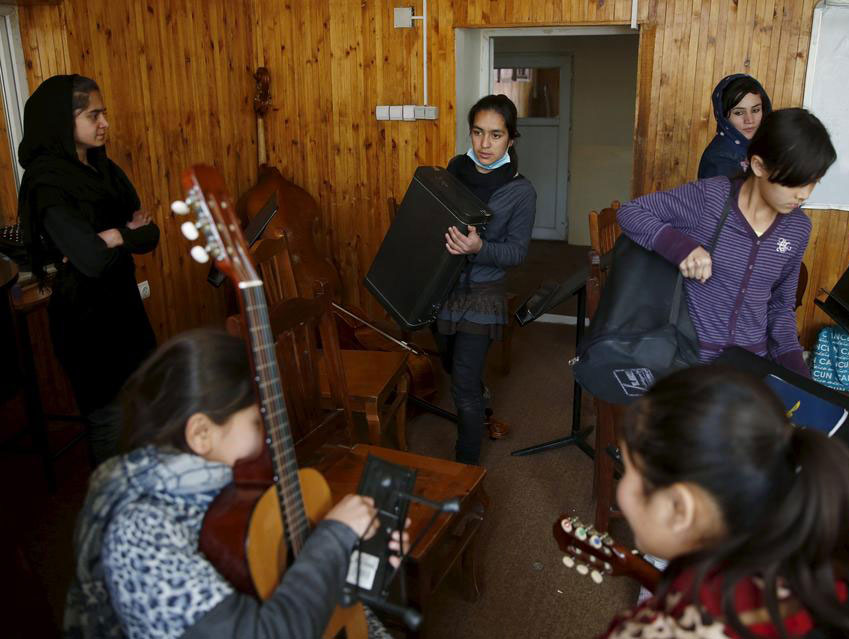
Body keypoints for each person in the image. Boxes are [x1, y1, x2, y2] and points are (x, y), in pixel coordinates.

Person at [64, 329, 406, 639]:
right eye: (257, 423)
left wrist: (362, 562)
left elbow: (275, 581)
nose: (267, 437)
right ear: (201, 433)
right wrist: (334, 536)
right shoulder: (139, 533)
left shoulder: (230, 490)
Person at [600, 365, 849, 638]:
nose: (622, 489)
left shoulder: (647, 631)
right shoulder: (830, 590)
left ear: (680, 508)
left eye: (629, 470)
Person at [617, 108, 836, 376]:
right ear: (758, 166)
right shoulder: (710, 198)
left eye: (813, 182)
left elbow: (781, 306)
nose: (804, 194)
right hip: (690, 358)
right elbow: (630, 212)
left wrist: (799, 375)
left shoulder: (798, 228)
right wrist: (681, 248)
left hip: (750, 364)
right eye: (795, 182)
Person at [18, 74, 158, 465]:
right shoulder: (46, 181)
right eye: (93, 115)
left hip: (126, 309)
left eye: (104, 113)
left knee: (144, 415)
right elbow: (91, 260)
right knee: (110, 424)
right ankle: (112, 515)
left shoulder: (103, 167)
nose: (105, 123)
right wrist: (119, 234)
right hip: (86, 322)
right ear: (65, 121)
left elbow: (150, 233)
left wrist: (111, 238)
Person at [436, 94, 537, 464]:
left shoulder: (521, 191)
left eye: (496, 135)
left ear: (511, 139)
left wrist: (479, 247)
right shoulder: (452, 170)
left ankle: (465, 473)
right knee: (450, 365)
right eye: (478, 132)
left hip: (482, 293)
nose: (484, 144)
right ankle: (483, 402)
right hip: (441, 288)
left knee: (462, 383)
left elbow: (516, 252)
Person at [698, 74, 772, 179]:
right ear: (723, 117)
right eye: (739, 113)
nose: (749, 120)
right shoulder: (718, 161)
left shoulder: (765, 146)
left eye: (755, 110)